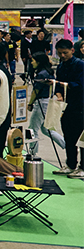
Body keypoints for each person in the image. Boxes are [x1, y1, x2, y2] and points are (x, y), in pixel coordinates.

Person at [51, 38, 84, 177]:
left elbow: (80, 85)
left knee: (80, 138)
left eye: (65, 53)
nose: (62, 56)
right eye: (59, 53)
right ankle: (70, 164)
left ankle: (82, 168)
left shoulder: (80, 65)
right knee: (68, 136)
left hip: (81, 106)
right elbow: (58, 85)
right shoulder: (60, 66)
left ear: (72, 50)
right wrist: (58, 92)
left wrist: (62, 84)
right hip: (66, 107)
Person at [27, 51, 66, 159]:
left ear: (39, 62)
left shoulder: (41, 74)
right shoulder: (47, 72)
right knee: (46, 129)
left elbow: (35, 91)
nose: (31, 63)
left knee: (32, 129)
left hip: (40, 103)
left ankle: (32, 153)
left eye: (33, 61)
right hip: (47, 101)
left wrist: (30, 103)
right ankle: (66, 145)